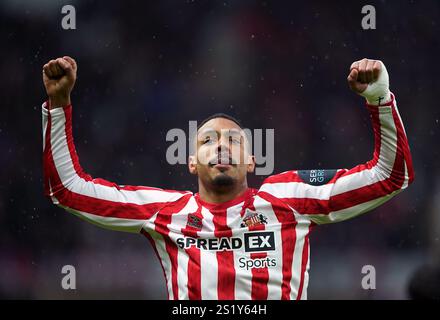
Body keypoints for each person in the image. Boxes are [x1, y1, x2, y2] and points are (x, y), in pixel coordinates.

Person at [41, 56, 414, 300]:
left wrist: (379, 98)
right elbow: (68, 189)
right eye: (207, 140)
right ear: (191, 162)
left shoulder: (288, 197)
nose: (221, 146)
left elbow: (390, 176)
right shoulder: (165, 212)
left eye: (233, 140)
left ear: (252, 161)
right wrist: (59, 106)